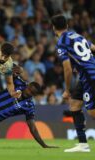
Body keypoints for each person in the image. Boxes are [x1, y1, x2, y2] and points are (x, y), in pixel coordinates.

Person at [51, 14, 95, 152]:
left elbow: (67, 69)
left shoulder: (61, 43)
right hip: (85, 76)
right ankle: (83, 144)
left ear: (53, 28)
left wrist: (67, 89)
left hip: (90, 77)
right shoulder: (77, 36)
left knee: (93, 113)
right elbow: (93, 47)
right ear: (67, 26)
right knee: (75, 105)